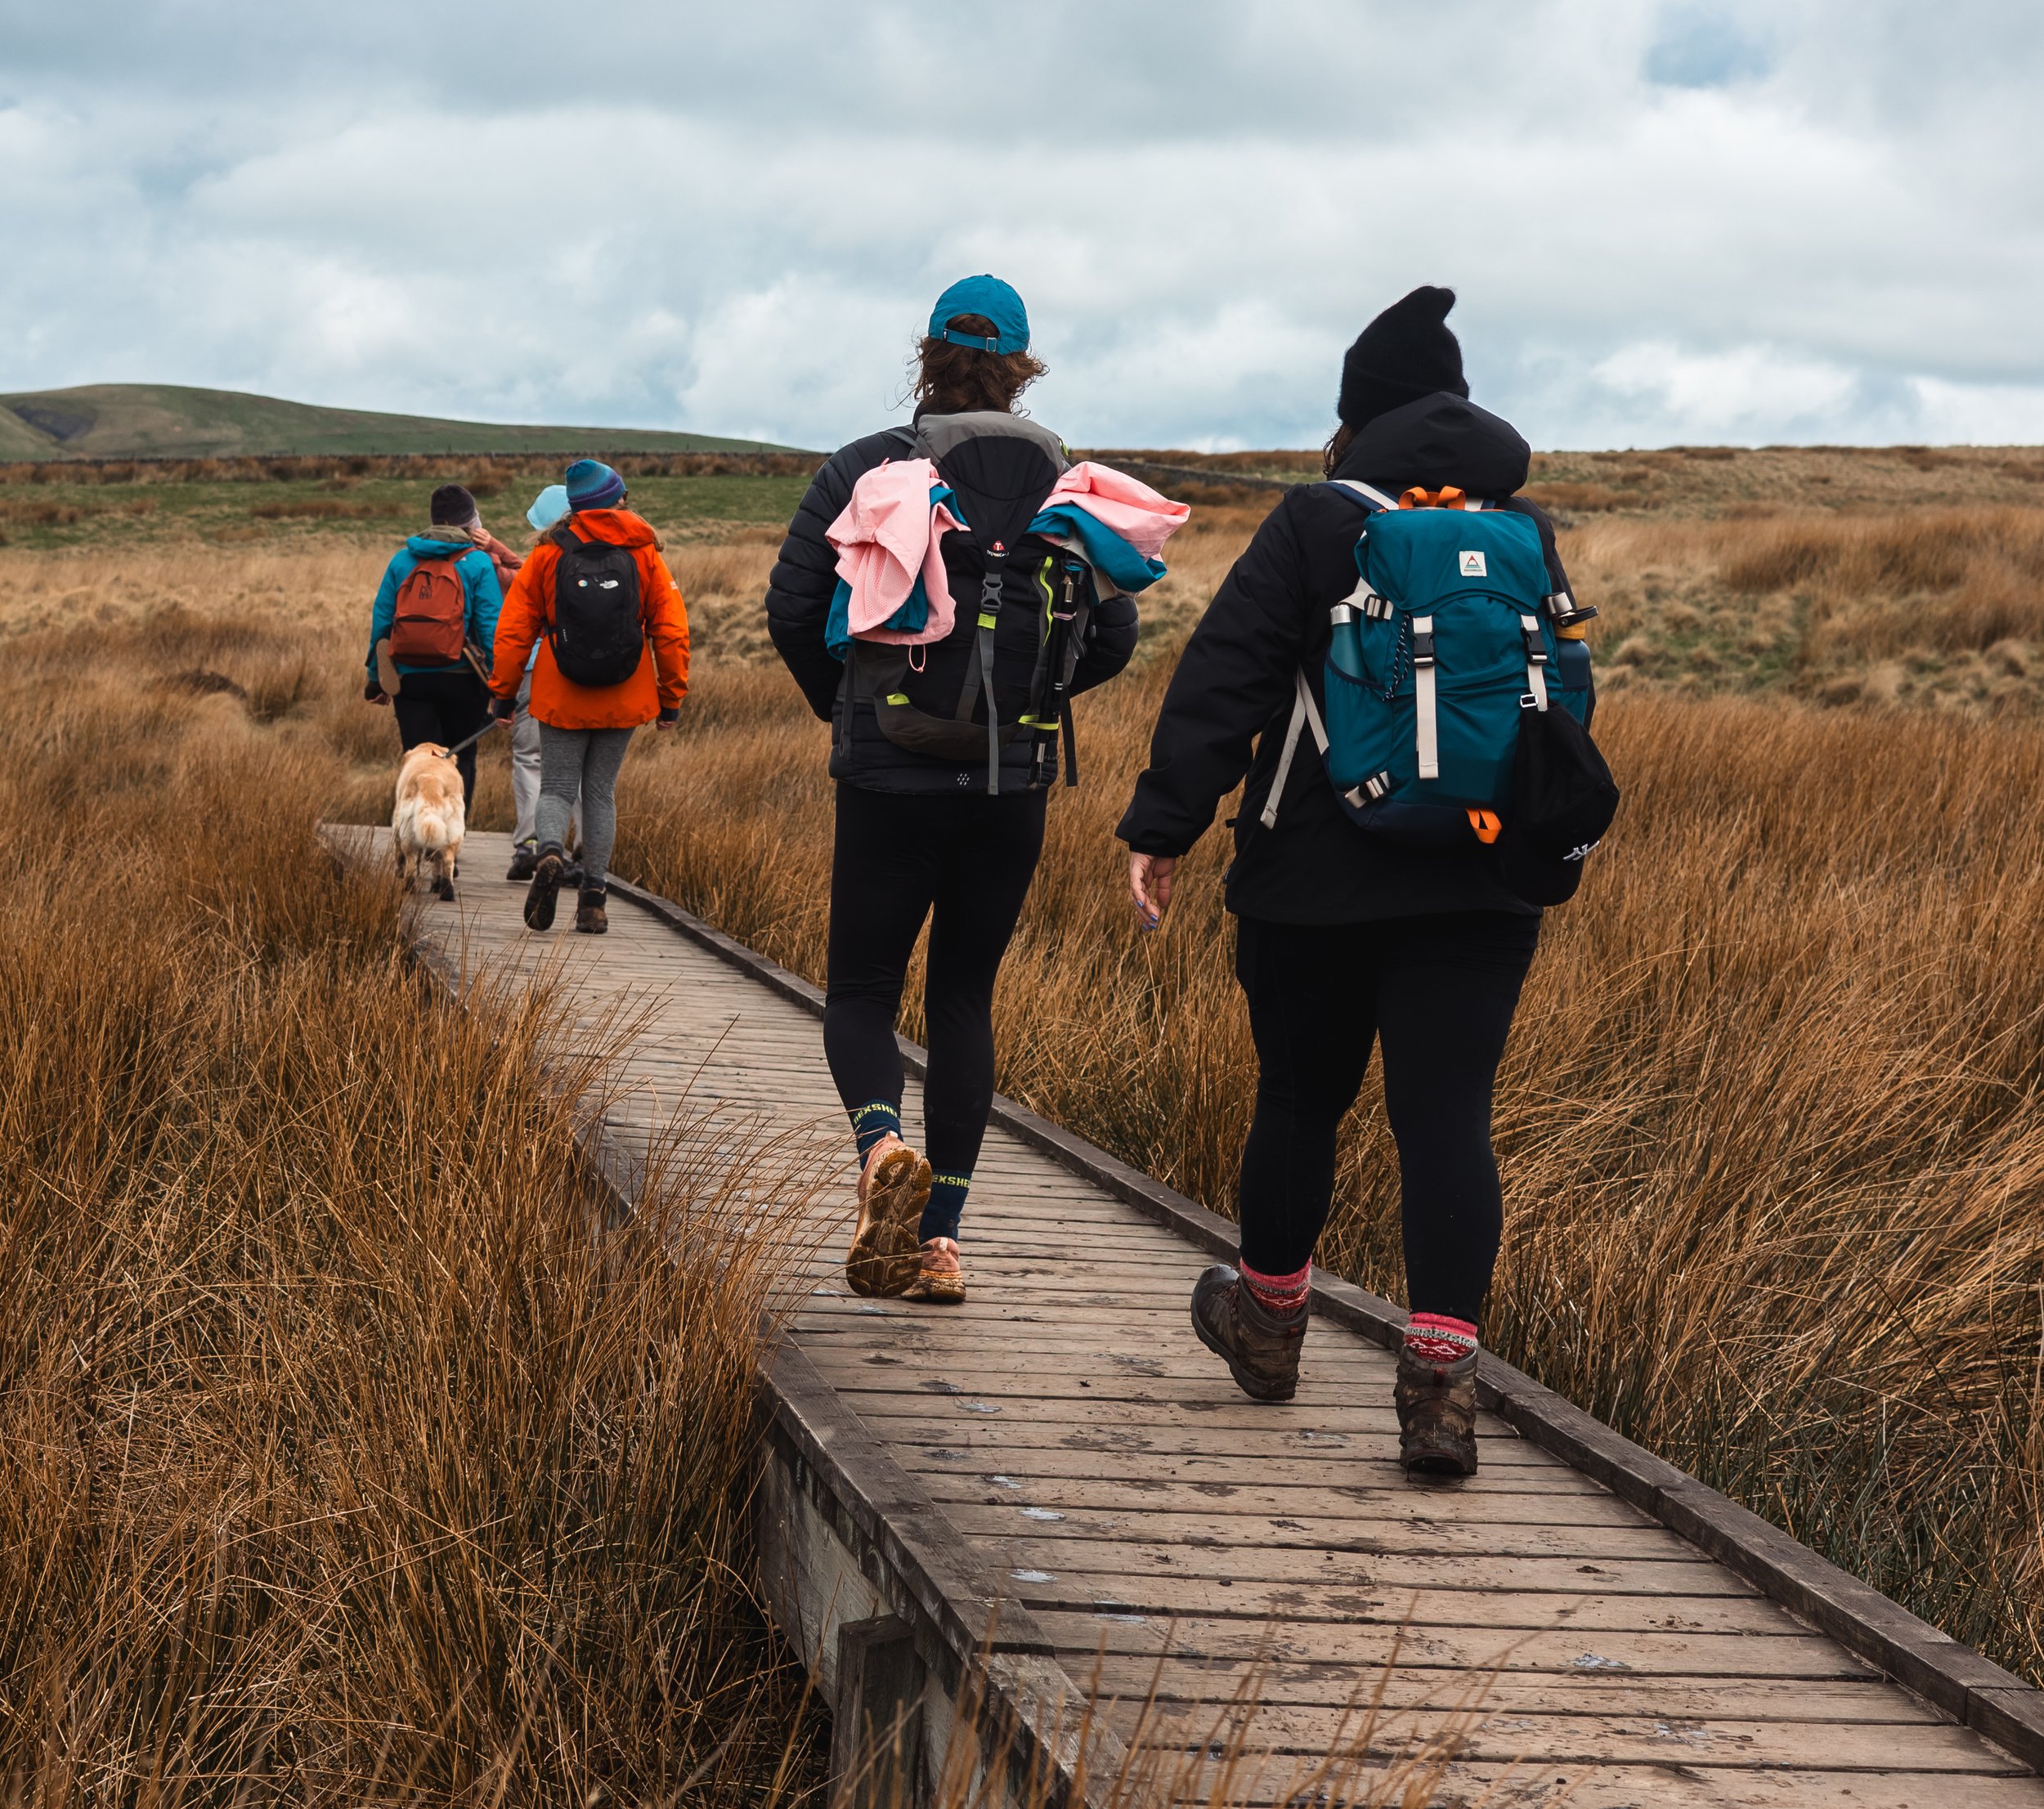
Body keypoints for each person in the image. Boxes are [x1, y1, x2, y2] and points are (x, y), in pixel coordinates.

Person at [1116, 286, 1591, 1479]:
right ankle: (1439, 1388)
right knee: (1447, 1122)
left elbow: (1226, 676)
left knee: (1297, 1103)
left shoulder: (1316, 522)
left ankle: (1271, 1328)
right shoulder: (1517, 526)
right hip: (1484, 878)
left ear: (1354, 418)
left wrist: (1166, 824)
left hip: (1310, 880)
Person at [766, 277, 1156, 1307]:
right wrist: (1030, 705)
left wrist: (844, 708)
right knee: (962, 1000)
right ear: (1021, 367)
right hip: (1009, 781)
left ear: (927, 355)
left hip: (887, 769)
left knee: (860, 993)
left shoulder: (866, 464)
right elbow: (1112, 632)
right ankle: (939, 1242)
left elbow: (791, 602)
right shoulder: (1070, 484)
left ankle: (879, 1142)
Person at [486, 459, 689, 937]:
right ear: (617, 498)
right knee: (599, 792)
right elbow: (672, 631)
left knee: (557, 787)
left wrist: (502, 694)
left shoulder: (547, 554)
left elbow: (514, 632)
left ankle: (551, 850)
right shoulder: (645, 552)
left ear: (575, 504)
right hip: (625, 691)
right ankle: (593, 901)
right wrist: (671, 696)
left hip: (562, 690)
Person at [365, 484, 505, 815]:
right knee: (462, 759)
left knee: (417, 760)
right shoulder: (478, 563)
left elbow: (382, 625)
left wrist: (376, 679)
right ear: (471, 521)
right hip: (464, 679)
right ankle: (451, 843)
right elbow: (491, 629)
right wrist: (502, 684)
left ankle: (416, 838)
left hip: (411, 681)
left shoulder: (402, 561)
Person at [504, 484, 580, 884]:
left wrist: (502, 690)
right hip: (590, 675)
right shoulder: (606, 557)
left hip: (538, 670)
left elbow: (515, 630)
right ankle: (582, 851)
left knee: (531, 759)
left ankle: (532, 845)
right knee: (582, 767)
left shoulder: (540, 562)